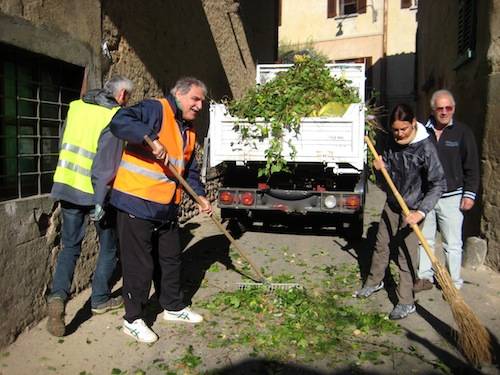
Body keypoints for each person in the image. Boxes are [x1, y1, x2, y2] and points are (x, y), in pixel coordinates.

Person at [109, 77, 212, 343]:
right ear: (179, 93)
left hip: (165, 207)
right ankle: (132, 319)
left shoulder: (188, 130)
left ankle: (173, 307)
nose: (200, 106)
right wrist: (150, 140)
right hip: (136, 201)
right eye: (195, 99)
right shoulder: (155, 109)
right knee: (139, 265)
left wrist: (200, 196)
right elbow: (120, 121)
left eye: (202, 101)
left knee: (170, 260)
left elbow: (186, 170)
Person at [47, 75, 134, 337]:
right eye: (127, 97)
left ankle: (58, 297)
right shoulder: (115, 116)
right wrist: (99, 200)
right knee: (109, 246)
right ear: (121, 95)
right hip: (95, 194)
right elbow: (106, 165)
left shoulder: (76, 106)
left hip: (66, 185)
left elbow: (63, 143)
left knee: (70, 247)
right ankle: (99, 300)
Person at [354, 104, 446, 320]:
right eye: (395, 130)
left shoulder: (426, 148)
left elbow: (438, 184)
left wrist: (421, 212)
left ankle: (406, 302)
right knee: (380, 245)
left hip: (414, 209)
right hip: (392, 204)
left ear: (413, 123)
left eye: (403, 129)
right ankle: (374, 281)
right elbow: (387, 180)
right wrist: (380, 168)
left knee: (406, 255)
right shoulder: (390, 142)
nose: (399, 134)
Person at [415, 90, 480, 292]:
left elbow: (472, 166)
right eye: (440, 108)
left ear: (453, 109)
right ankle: (425, 277)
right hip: (426, 197)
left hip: (452, 197)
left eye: (448, 108)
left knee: (452, 243)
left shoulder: (462, 132)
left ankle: (453, 283)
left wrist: (469, 194)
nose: (444, 112)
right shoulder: (421, 132)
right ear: (432, 110)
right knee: (425, 241)